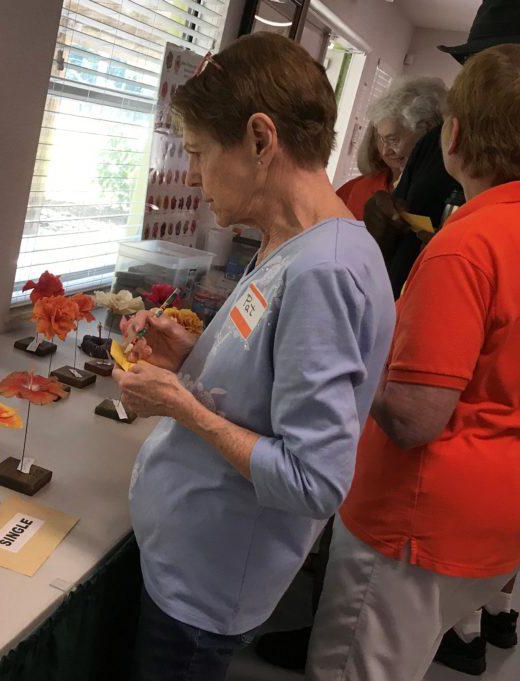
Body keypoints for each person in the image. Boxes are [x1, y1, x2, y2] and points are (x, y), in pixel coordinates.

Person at [113, 32, 395, 681]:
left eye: (199, 152)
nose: (192, 175)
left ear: (260, 140)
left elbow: (313, 479)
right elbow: (271, 374)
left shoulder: (323, 272)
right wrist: (194, 356)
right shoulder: (291, 242)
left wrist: (182, 407)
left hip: (204, 588)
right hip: (186, 556)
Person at [306, 43, 520, 681]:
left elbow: (412, 418)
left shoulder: (469, 244)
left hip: (418, 522)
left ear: (452, 136)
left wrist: (350, 349)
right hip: (496, 513)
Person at [337, 77, 446, 222]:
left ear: (426, 129)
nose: (385, 151)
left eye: (393, 140)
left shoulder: (447, 190)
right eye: (381, 139)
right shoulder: (358, 189)